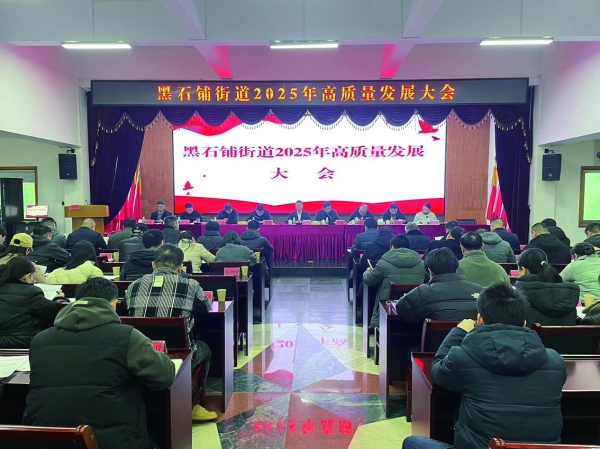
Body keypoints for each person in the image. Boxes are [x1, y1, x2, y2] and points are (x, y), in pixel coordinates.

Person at [402, 283, 567, 449]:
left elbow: (437, 370)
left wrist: (458, 332)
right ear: (524, 323)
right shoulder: (555, 361)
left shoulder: (463, 356)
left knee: (411, 443)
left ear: (479, 319)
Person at [24, 278, 175, 449]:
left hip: (47, 440)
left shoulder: (40, 340)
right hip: (113, 441)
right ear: (114, 304)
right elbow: (165, 376)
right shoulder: (128, 337)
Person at [126, 245, 217, 421]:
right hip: (179, 357)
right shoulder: (190, 284)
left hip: (140, 355)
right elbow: (206, 308)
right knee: (204, 348)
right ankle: (191, 404)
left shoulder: (133, 286)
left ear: (153, 265)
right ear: (180, 267)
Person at [394, 247, 482, 323]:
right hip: (472, 337)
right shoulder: (479, 290)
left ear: (429, 271)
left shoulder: (421, 292)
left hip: (435, 338)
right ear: (456, 267)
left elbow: (401, 308)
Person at [363, 234, 425, 328]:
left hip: (388, 309)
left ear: (392, 247)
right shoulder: (421, 264)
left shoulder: (383, 263)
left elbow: (369, 280)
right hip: (415, 310)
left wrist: (367, 272)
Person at [0, 256, 61, 348]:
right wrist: (59, 299)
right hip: (21, 341)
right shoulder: (31, 292)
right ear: (27, 277)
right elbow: (53, 312)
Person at [515, 248, 579, 326]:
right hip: (569, 334)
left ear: (523, 270)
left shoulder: (519, 294)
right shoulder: (569, 294)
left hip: (532, 334)